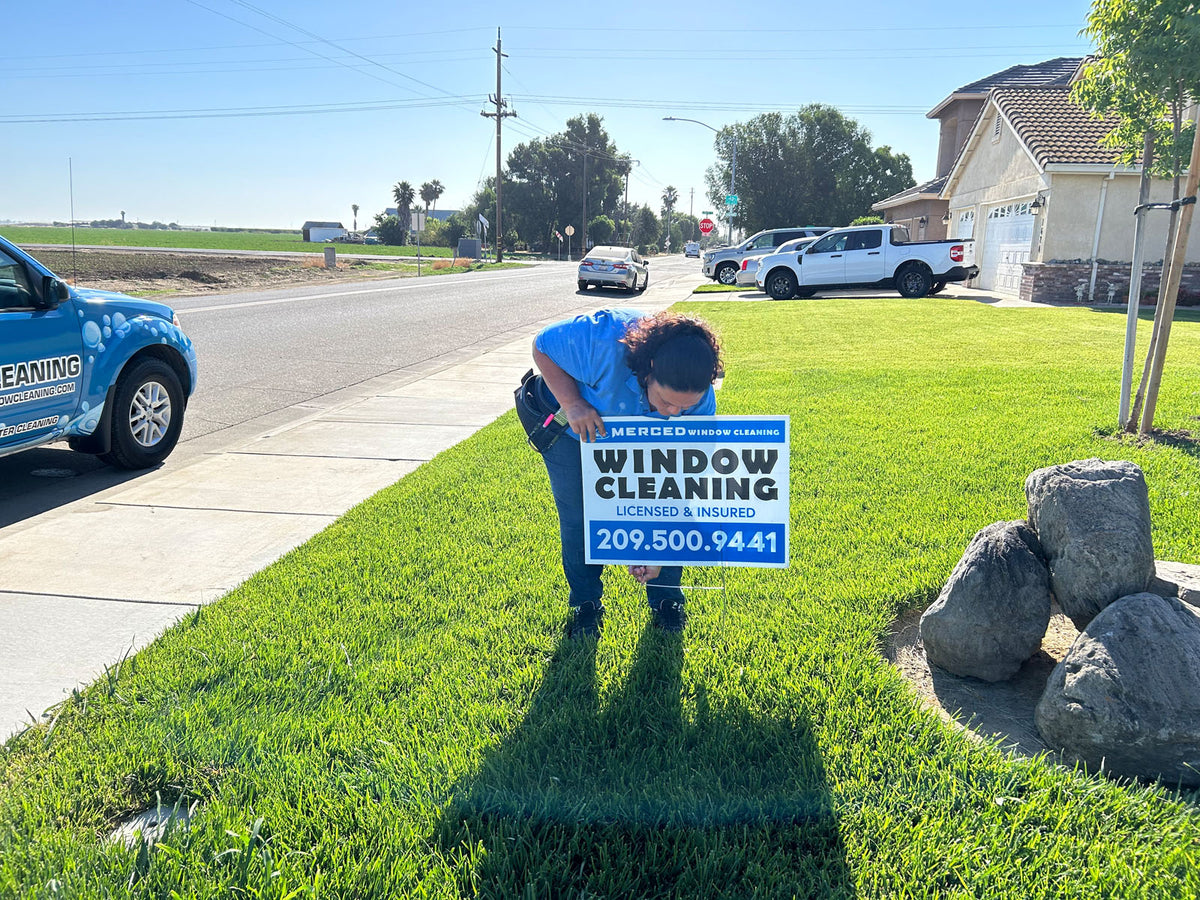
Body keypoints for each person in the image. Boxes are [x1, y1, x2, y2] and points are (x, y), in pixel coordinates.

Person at [517, 308, 724, 639]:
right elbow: (542, 347)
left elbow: (679, 488)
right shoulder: (602, 339)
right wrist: (573, 405)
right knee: (578, 517)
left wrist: (656, 550)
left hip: (649, 445)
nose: (673, 413)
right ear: (650, 369)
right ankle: (585, 604)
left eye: (684, 408)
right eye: (666, 402)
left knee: (668, 503)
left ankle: (667, 601)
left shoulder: (699, 402)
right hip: (577, 434)